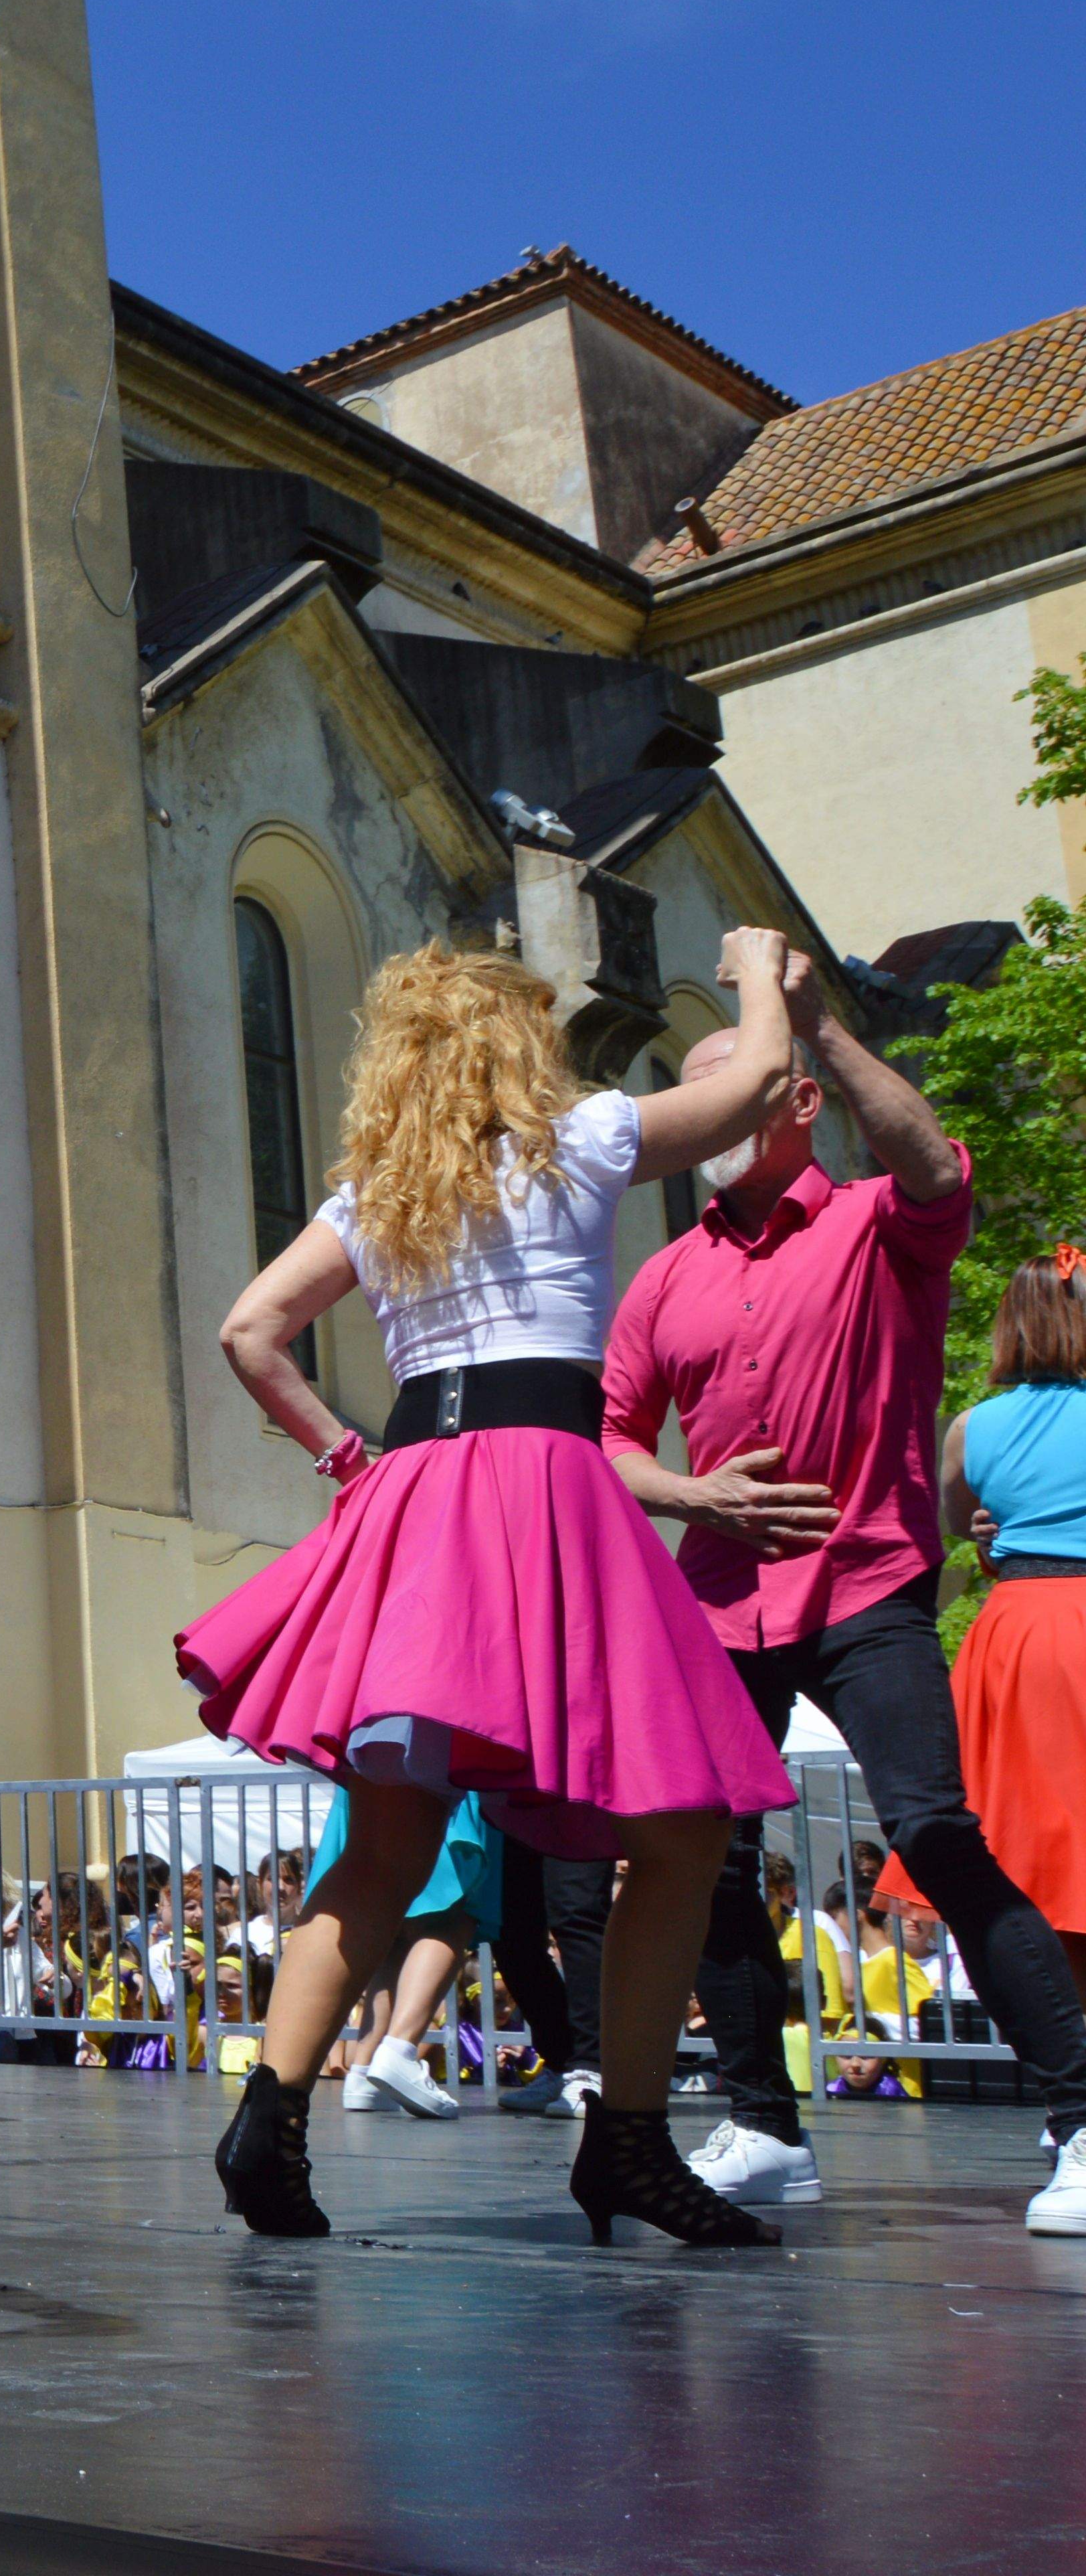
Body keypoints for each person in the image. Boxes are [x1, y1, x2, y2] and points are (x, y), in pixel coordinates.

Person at [186, 933, 803, 2247]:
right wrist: (755, 970)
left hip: (416, 1496)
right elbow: (753, 1090)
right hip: (540, 1487)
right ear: (503, 1044)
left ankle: (269, 2114)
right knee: (682, 1825)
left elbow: (249, 1330)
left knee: (388, 1832)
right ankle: (626, 2140)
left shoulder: (377, 1191)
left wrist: (341, 1453)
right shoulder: (575, 1139)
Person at [602, 970, 1086, 2233]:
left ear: (794, 1099)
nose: (689, 1107)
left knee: (933, 1829)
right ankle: (762, 2125)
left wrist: (808, 1011)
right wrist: (692, 1494)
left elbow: (941, 1170)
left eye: (719, 1081)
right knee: (694, 1859)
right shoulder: (663, 1280)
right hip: (716, 1600)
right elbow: (606, 1440)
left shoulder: (879, 1220)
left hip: (866, 1582)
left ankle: (1082, 2120)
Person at [939, 1250, 1086, 2193]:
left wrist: (998, 1527)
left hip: (1021, 1638)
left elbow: (959, 1523)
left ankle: (1069, 2098)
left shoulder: (971, 1426)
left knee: (1036, 1869)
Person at [320, 1793, 496, 2117]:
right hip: (444, 1773)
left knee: (397, 1928)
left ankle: (364, 2070)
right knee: (450, 1915)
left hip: (375, 1766)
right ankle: (399, 2050)